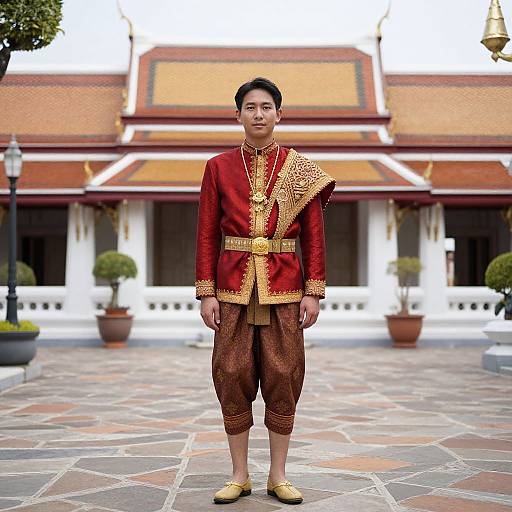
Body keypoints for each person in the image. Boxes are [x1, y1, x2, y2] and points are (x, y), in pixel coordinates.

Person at [195, 77, 335, 505]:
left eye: (266, 107)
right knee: (231, 374)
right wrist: (207, 292)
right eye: (250, 107)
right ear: (237, 115)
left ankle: (278, 474)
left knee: (284, 375)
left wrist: (313, 290)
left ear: (279, 114)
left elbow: (313, 235)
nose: (258, 114)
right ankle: (239, 474)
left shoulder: (300, 169)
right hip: (233, 287)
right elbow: (205, 233)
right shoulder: (218, 167)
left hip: (286, 288)